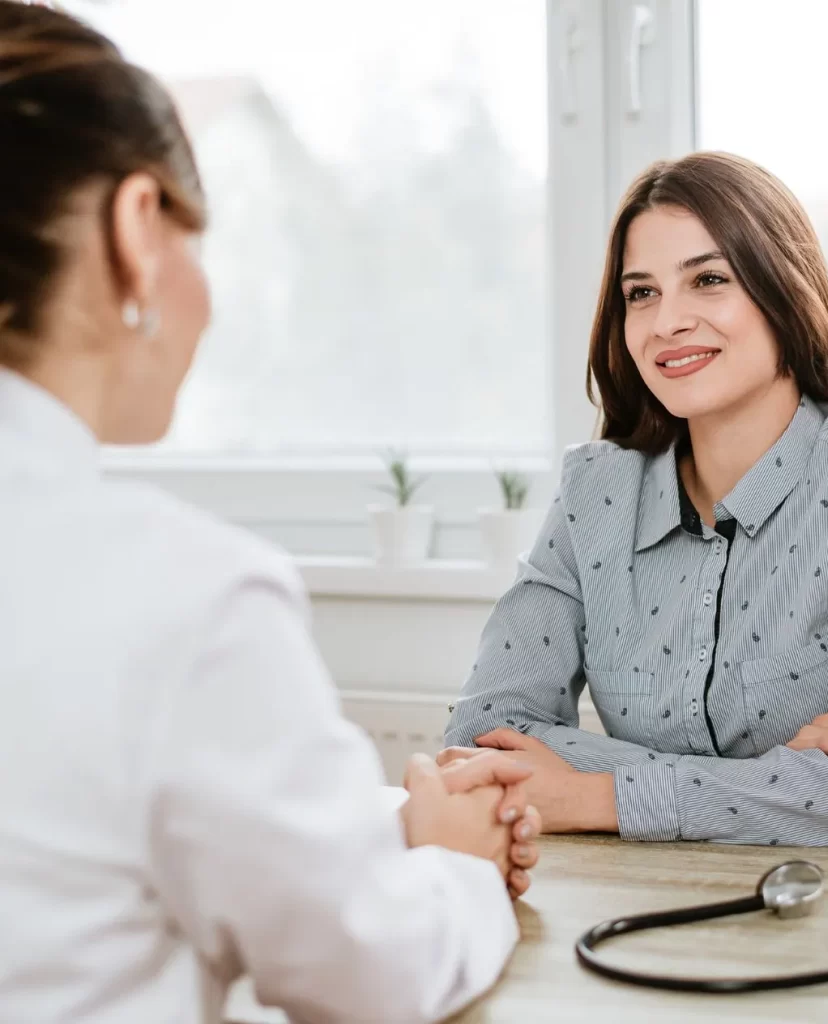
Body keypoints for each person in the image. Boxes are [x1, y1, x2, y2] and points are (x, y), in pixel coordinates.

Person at [0, 4, 540, 1022]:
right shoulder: (177, 595)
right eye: (195, 243)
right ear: (133, 227)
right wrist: (457, 868)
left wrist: (379, 836)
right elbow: (369, 976)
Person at [442, 152, 828, 847]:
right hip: (639, 903)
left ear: (783, 290)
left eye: (709, 280)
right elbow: (481, 739)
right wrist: (780, 775)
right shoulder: (594, 491)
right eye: (641, 293)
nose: (667, 323)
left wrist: (597, 796)